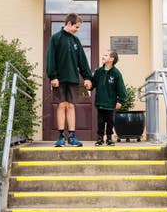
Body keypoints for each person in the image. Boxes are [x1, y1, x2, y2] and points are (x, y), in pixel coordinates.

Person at [45, 13, 92, 147]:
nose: (77, 30)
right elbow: (50, 58)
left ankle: (72, 136)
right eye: (76, 27)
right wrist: (52, 76)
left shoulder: (76, 41)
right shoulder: (56, 38)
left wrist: (87, 77)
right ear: (69, 24)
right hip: (59, 79)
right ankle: (61, 137)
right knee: (61, 105)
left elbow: (82, 61)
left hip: (72, 79)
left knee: (71, 106)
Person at [91, 49, 126, 146]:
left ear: (111, 59)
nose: (103, 56)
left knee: (110, 122)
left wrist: (120, 101)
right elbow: (93, 83)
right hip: (100, 103)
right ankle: (100, 138)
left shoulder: (116, 73)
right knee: (100, 122)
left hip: (111, 104)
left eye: (105, 55)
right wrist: (89, 86)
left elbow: (121, 89)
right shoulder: (98, 71)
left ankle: (109, 138)